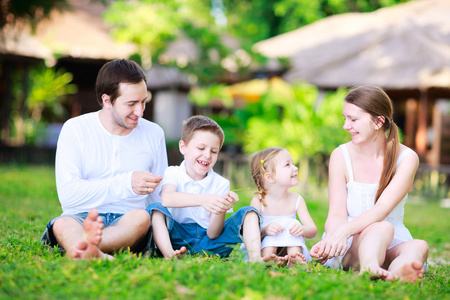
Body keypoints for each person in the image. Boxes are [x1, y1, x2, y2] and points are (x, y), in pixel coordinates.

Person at [40, 59, 168, 259]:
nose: (140, 112)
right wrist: (127, 183)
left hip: (128, 220)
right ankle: (90, 250)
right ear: (107, 100)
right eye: (131, 104)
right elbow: (68, 195)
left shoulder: (154, 133)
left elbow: (158, 200)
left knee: (142, 217)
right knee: (62, 223)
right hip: (80, 217)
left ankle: (87, 249)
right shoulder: (75, 129)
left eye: (143, 102)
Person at [309, 86, 429, 282]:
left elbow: (382, 208)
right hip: (351, 242)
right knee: (382, 228)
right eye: (345, 118)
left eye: (353, 119)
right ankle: (370, 267)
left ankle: (399, 272)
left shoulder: (407, 158)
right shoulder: (341, 155)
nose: (346, 126)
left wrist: (343, 231)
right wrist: (333, 238)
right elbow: (337, 212)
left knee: (419, 246)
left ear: (378, 121)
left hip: (391, 239)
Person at [146, 116, 280, 263]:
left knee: (249, 212)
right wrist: (203, 200)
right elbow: (167, 198)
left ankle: (255, 258)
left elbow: (213, 233)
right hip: (176, 238)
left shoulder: (221, 183)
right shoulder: (173, 173)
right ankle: (169, 254)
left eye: (214, 151)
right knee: (156, 208)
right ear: (183, 147)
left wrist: (221, 208)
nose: (207, 155)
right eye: (201, 148)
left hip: (209, 243)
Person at [249, 147, 317, 268]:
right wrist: (265, 230)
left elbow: (312, 229)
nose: (295, 168)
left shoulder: (297, 200)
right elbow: (250, 232)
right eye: (287, 165)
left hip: (289, 246)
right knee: (271, 234)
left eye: (293, 164)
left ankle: (294, 260)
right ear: (270, 177)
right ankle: (267, 259)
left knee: (292, 229)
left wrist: (303, 229)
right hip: (265, 245)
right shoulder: (258, 201)